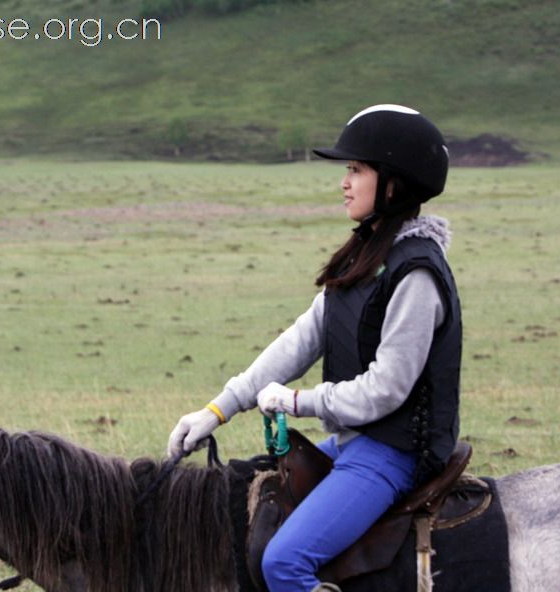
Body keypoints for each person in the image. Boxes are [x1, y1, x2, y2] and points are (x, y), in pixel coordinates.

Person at [167, 104, 462, 592]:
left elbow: (386, 390)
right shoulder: (367, 255)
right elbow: (301, 340)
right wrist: (218, 410)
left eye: (356, 169)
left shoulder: (416, 275)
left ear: (395, 183)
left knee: (283, 562)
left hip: (393, 453)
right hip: (355, 442)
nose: (344, 182)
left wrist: (299, 402)